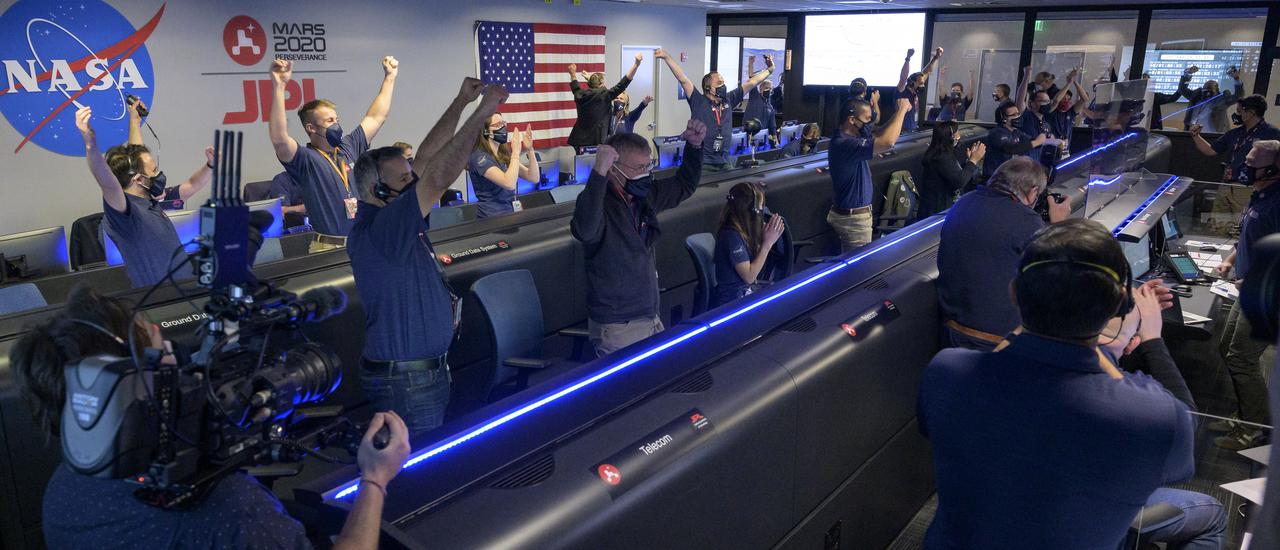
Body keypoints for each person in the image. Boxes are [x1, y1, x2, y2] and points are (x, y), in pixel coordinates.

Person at [9, 285, 413, 549]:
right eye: (164, 353)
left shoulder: (63, 488)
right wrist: (374, 478)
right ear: (135, 388)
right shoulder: (228, 512)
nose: (179, 361)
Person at [919, 219, 1212, 549]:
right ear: (1119, 304)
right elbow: (1184, 441)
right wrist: (1151, 338)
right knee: (1211, 513)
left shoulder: (945, 371)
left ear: (1014, 293)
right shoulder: (1155, 416)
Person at [348, 79, 506, 436]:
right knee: (417, 462)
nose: (413, 184)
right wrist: (483, 112)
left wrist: (461, 101)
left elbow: (426, 159)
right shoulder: (383, 228)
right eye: (404, 180)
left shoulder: (391, 216)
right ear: (376, 190)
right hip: (407, 383)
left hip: (418, 375)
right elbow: (436, 177)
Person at [571, 119, 706, 357]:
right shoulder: (598, 202)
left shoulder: (644, 197)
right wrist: (598, 173)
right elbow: (585, 231)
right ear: (614, 168)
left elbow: (684, 185)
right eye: (639, 168)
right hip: (617, 326)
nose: (646, 174)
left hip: (650, 316)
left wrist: (694, 148)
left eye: (648, 166)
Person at [937, 157, 1071, 350]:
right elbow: (1058, 273)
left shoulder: (963, 203)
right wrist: (1059, 225)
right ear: (1033, 192)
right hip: (997, 341)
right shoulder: (1026, 220)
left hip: (950, 332)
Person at [72, 105, 212, 289]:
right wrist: (90, 144)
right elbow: (107, 182)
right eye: (154, 170)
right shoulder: (126, 214)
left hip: (188, 290)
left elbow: (192, 184)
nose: (158, 174)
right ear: (138, 179)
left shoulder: (153, 199)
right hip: (160, 298)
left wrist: (134, 120)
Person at [267, 57, 398, 250]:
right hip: (328, 247)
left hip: (362, 243)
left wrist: (390, 77)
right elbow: (279, 139)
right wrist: (279, 87)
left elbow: (376, 117)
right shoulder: (305, 159)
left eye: (337, 119)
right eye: (329, 121)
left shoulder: (347, 147)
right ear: (311, 128)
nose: (336, 125)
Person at [1210, 139, 1280, 450]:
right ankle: (1247, 416)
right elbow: (1253, 238)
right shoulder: (1261, 194)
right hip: (1250, 289)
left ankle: (1253, 429)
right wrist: (1230, 260)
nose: (1243, 168)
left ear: (1274, 168)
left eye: (1251, 164)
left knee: (1241, 359)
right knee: (1228, 348)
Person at [655, 48, 773, 173]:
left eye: (723, 83)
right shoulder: (698, 101)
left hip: (724, 161)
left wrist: (770, 69)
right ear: (708, 88)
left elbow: (752, 82)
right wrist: (667, 57)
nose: (723, 86)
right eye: (719, 83)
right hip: (704, 163)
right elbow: (683, 79)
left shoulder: (729, 99)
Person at [826, 97, 913, 253]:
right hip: (854, 221)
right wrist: (901, 110)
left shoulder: (852, 136)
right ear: (852, 120)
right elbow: (888, 142)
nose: (869, 124)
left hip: (853, 216)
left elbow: (880, 132)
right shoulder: (844, 143)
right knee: (858, 266)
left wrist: (898, 113)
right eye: (867, 120)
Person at [713, 182, 785, 307]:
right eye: (760, 210)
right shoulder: (731, 236)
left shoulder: (739, 231)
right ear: (751, 211)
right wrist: (767, 244)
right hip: (734, 301)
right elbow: (749, 276)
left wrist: (761, 237)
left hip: (743, 293)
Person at [1190, 94, 1280, 185]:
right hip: (1229, 182)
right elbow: (1210, 150)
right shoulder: (1234, 133)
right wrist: (1196, 136)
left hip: (1255, 185)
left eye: (1239, 111)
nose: (1237, 115)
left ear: (1250, 113)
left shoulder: (1272, 133)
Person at [468, 113, 540, 218]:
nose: (503, 128)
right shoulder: (479, 157)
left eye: (503, 123)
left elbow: (533, 177)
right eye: (497, 125)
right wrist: (515, 152)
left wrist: (530, 149)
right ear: (485, 131)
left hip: (509, 213)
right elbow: (509, 183)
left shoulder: (502, 154)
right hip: (492, 217)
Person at [567, 54, 642, 149]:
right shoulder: (605, 95)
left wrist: (573, 74)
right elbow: (624, 83)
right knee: (596, 159)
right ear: (602, 83)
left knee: (581, 159)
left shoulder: (580, 94)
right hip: (596, 141)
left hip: (578, 140)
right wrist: (636, 64)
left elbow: (575, 86)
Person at [917, 121, 983, 221]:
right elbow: (959, 181)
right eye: (957, 132)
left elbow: (954, 173)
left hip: (939, 208)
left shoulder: (943, 154)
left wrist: (969, 161)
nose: (959, 135)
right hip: (936, 212)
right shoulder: (941, 157)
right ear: (951, 136)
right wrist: (973, 161)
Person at [984, 101, 1048, 178]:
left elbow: (1030, 142)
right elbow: (1010, 149)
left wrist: (1044, 139)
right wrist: (1036, 142)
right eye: (1013, 115)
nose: (1017, 117)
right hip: (994, 177)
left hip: (1009, 176)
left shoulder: (1016, 132)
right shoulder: (996, 133)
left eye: (1018, 114)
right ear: (1003, 119)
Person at [896, 47, 942, 132]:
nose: (923, 85)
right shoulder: (902, 91)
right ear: (911, 83)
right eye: (920, 83)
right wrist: (907, 59)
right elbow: (903, 77)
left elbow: (927, 71)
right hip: (902, 131)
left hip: (913, 129)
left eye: (923, 83)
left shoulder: (915, 93)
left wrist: (936, 57)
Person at [744, 55, 783, 144]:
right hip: (749, 135)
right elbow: (751, 79)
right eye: (767, 88)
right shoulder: (754, 96)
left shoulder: (770, 106)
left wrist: (777, 142)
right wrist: (750, 63)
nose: (769, 90)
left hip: (762, 138)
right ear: (761, 88)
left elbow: (772, 126)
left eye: (771, 89)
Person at [1146, 66, 1195, 131]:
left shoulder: (1154, 96)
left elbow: (1174, 97)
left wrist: (1186, 76)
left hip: (1153, 130)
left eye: (1147, 82)